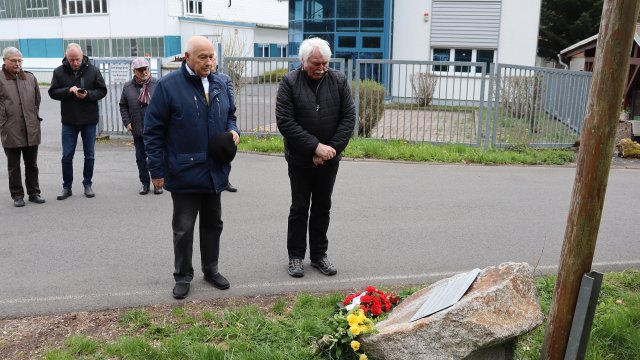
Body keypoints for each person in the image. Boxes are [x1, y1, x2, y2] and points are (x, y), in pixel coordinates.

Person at [144, 35, 240, 300]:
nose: (209, 62)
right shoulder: (168, 86)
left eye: (212, 57)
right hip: (184, 170)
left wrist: (233, 131)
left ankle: (211, 270)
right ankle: (183, 275)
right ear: (187, 57)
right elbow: (153, 132)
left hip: (215, 170)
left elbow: (231, 114)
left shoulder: (221, 82)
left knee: (213, 223)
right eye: (203, 57)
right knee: (184, 228)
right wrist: (157, 171)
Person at [275, 37, 355, 278]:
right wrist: (314, 148)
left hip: (329, 159)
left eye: (325, 63)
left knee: (322, 207)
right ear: (303, 61)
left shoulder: (339, 80)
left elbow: (348, 118)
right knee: (299, 207)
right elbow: (285, 122)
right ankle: (296, 257)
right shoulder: (289, 82)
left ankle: (319, 255)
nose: (321, 68)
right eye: (315, 63)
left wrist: (329, 150)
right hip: (300, 159)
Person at [48, 43, 107, 200]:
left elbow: (102, 91)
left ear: (83, 57)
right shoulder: (59, 72)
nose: (75, 63)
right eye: (71, 59)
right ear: (66, 57)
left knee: (90, 155)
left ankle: (87, 184)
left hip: (89, 120)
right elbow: (52, 92)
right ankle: (67, 187)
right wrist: (68, 91)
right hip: (69, 121)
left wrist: (87, 95)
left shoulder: (93, 70)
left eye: (77, 59)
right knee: (67, 156)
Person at [0, 47, 45, 207]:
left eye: (20, 60)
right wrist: (3, 121)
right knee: (14, 166)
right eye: (14, 61)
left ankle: (34, 193)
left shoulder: (30, 78)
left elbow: (36, 101)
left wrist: (33, 117)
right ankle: (17, 195)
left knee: (32, 164)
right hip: (10, 129)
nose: (17, 63)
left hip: (31, 128)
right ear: (5, 61)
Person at [119, 57, 159, 195]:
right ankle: (145, 183)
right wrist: (127, 122)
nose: (144, 72)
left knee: (155, 157)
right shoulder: (128, 87)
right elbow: (123, 105)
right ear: (134, 71)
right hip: (138, 128)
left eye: (146, 69)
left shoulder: (157, 84)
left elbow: (165, 104)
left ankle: (157, 182)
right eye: (140, 70)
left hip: (155, 130)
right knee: (140, 158)